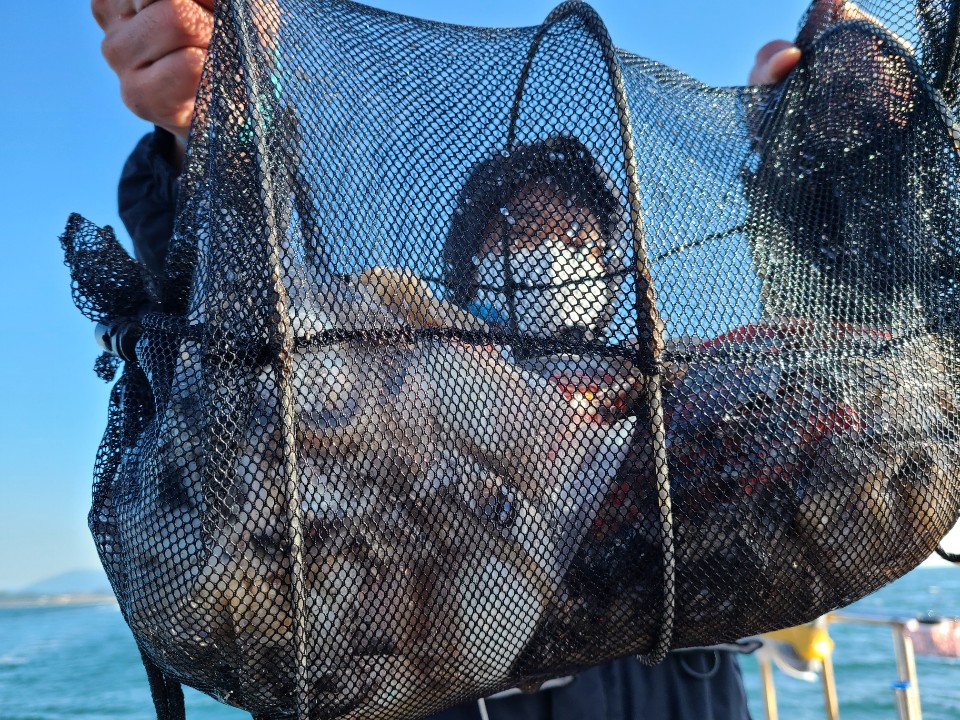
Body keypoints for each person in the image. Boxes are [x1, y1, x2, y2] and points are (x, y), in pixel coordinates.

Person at [89, 1, 837, 718]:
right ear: (470, 268)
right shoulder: (403, 359)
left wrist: (820, 182)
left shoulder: (680, 391)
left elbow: (822, 452)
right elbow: (244, 337)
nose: (552, 254)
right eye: (520, 233)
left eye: (578, 239)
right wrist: (214, 130)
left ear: (614, 268)